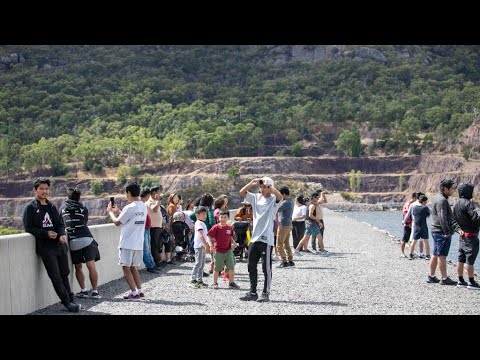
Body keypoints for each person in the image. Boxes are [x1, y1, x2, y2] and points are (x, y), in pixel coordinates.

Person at [23, 178, 80, 313]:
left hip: (59, 246)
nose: (44, 191)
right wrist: (45, 233)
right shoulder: (30, 208)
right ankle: (67, 303)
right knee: (55, 276)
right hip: (46, 248)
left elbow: (60, 223)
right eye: (41, 189)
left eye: (46, 189)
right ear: (35, 190)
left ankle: (71, 298)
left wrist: (61, 234)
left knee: (65, 273)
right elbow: (29, 228)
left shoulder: (52, 206)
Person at [239, 177, 282, 302]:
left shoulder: (274, 200)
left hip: (266, 239)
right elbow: (242, 192)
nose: (262, 189)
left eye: (265, 187)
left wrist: (270, 185)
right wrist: (251, 183)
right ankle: (253, 292)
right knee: (251, 265)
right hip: (255, 237)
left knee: (266, 268)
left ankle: (265, 292)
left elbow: (280, 197)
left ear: (270, 188)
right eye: (261, 187)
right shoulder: (256, 197)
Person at [107, 182, 147, 300]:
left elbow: (117, 222)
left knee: (126, 267)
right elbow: (130, 218)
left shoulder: (129, 207)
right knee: (133, 267)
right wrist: (118, 211)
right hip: (138, 243)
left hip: (127, 243)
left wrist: (110, 212)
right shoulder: (143, 206)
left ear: (129, 193)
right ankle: (140, 290)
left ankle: (133, 292)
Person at [60, 188, 101, 299]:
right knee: (91, 266)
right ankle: (95, 291)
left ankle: (83, 290)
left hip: (73, 241)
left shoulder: (62, 209)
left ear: (68, 197)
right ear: (79, 198)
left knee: (78, 267)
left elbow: (61, 224)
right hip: (87, 238)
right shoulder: (83, 208)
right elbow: (84, 222)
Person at [427, 179, 461, 285]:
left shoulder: (435, 197)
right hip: (441, 231)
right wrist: (447, 232)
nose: (453, 191)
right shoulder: (442, 200)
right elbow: (442, 217)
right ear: (445, 189)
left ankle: (431, 276)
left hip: (435, 230)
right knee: (442, 255)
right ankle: (444, 278)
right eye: (451, 189)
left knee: (435, 253)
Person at [453, 182, 480, 289]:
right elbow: (476, 219)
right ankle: (471, 282)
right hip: (471, 236)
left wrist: (458, 229)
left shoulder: (456, 204)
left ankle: (460, 280)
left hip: (462, 235)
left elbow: (453, 220)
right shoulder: (468, 203)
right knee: (470, 260)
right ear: (468, 192)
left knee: (461, 258)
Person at [207, 209, 240, 289]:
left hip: (228, 251)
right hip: (218, 251)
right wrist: (211, 245)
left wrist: (233, 243)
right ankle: (215, 283)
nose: (223, 219)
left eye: (225, 217)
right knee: (217, 268)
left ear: (228, 218)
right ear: (218, 217)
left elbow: (230, 237)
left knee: (231, 267)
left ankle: (231, 282)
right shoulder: (216, 227)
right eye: (221, 217)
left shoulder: (229, 228)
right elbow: (209, 236)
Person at [405, 195, 431, 260]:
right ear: (423, 201)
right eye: (426, 202)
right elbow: (428, 214)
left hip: (416, 227)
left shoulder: (414, 207)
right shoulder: (425, 208)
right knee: (426, 242)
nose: (426, 203)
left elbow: (412, 214)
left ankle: (410, 254)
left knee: (414, 241)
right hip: (424, 227)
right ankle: (427, 255)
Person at [190, 206, 210, 288]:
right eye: (203, 214)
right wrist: (206, 245)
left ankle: (199, 280)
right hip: (199, 246)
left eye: (205, 214)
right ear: (197, 215)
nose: (205, 215)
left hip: (202, 246)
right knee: (198, 263)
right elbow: (201, 235)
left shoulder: (202, 223)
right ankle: (193, 279)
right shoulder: (199, 223)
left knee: (201, 264)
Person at [140, 188, 159, 274]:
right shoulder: (141, 204)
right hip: (144, 229)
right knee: (146, 248)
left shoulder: (143, 204)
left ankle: (152, 264)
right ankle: (150, 266)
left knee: (148, 247)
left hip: (147, 228)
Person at [276, 186, 295, 268]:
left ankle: (284, 261)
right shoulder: (291, 201)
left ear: (283, 194)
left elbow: (276, 209)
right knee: (286, 243)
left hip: (283, 225)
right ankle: (290, 260)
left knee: (279, 243)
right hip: (289, 224)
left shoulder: (285, 202)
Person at [401, 192, 417, 258]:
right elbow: (406, 214)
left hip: (411, 223)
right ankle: (402, 252)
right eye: (417, 198)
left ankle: (411, 252)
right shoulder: (409, 204)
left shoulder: (412, 204)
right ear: (414, 198)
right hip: (407, 224)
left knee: (412, 239)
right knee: (405, 238)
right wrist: (409, 223)